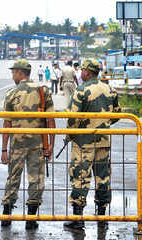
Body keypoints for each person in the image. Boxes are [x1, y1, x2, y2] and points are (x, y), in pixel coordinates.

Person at [63, 59, 121, 231]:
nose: (81, 73)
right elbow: (118, 114)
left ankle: (78, 219)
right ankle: (102, 216)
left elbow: (73, 118)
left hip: (83, 143)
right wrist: (103, 124)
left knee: (80, 178)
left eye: (83, 70)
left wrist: (70, 134)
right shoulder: (110, 89)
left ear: (87, 72)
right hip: (103, 141)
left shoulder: (81, 90)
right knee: (103, 178)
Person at [1, 59, 55, 230]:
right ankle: (31, 218)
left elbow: (7, 124)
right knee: (36, 179)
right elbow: (50, 120)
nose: (12, 75)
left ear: (20, 73)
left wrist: (4, 148)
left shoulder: (11, 93)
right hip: (37, 143)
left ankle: (6, 215)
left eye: (13, 72)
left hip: (17, 143)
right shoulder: (42, 91)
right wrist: (51, 144)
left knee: (13, 177)